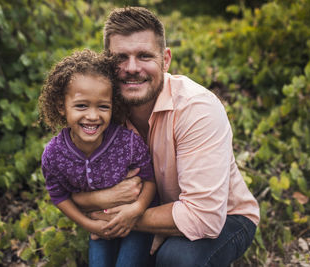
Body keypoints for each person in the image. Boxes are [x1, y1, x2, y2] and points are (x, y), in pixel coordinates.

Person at [71, 7, 260, 267]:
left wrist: (121, 218)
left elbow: (204, 217)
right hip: (152, 209)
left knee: (177, 258)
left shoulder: (196, 109)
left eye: (144, 56)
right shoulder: (102, 110)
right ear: (107, 63)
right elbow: (77, 185)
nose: (132, 68)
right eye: (120, 58)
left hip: (225, 217)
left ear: (166, 59)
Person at [38, 49, 156, 267]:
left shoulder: (128, 143)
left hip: (137, 222)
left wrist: (136, 209)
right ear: (61, 107)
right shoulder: (54, 155)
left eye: (103, 106)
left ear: (114, 106)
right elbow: (58, 195)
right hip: (97, 226)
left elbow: (149, 180)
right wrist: (89, 225)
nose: (92, 116)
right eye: (81, 105)